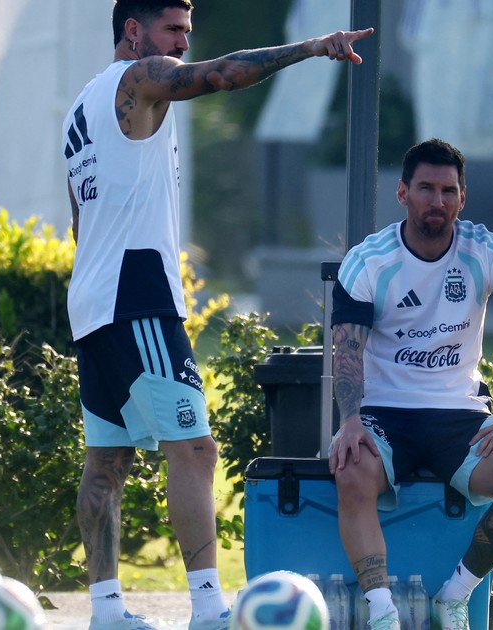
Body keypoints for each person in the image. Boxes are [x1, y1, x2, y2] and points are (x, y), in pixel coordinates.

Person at [61, 2, 373, 630]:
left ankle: (105, 612)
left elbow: (78, 220)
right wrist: (312, 48)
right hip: (138, 295)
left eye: (187, 31)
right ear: (132, 31)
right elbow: (224, 74)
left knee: (106, 464)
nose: (183, 43)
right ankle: (208, 609)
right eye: (172, 30)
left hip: (92, 300)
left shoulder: (80, 109)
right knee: (196, 450)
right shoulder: (140, 79)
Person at [329, 138, 493, 630]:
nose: (437, 200)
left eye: (448, 191)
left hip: (461, 416)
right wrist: (349, 421)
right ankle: (382, 612)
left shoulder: (486, 250)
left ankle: (454, 597)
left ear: (462, 198)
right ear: (402, 193)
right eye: (426, 188)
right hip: (384, 414)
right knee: (350, 470)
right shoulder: (369, 260)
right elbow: (345, 352)